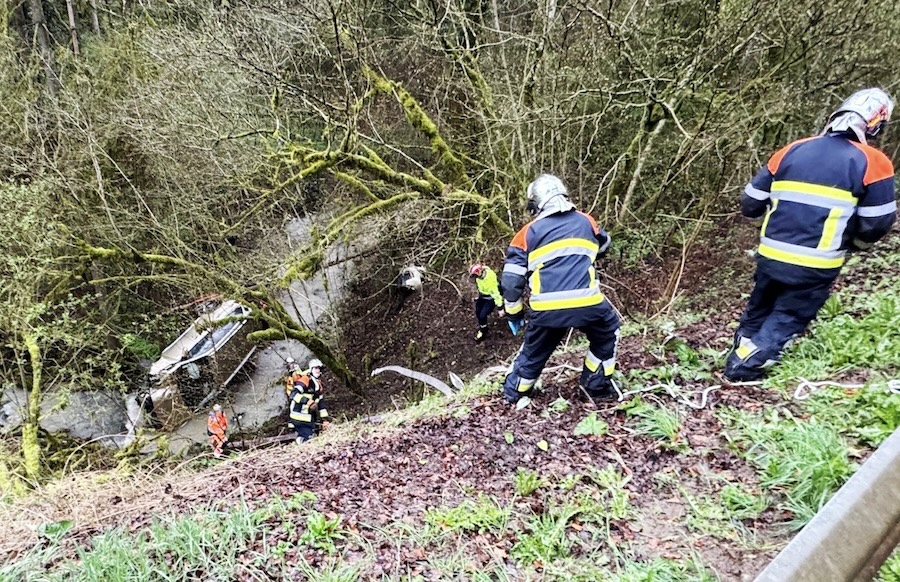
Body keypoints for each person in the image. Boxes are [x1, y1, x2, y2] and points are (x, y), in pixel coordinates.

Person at [725, 88, 896, 382]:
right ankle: (745, 366)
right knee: (790, 314)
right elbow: (877, 224)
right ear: (875, 124)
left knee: (761, 303)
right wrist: (854, 244)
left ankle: (743, 347)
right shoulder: (873, 162)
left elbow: (750, 203)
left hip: (771, 253)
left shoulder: (792, 149)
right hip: (817, 262)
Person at [501, 174, 621, 404]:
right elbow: (604, 244)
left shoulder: (526, 234)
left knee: (534, 351)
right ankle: (595, 387)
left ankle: (515, 392)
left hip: (547, 309)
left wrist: (514, 313)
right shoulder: (587, 221)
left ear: (535, 203)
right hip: (588, 303)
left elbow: (511, 282)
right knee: (607, 333)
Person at [288, 358, 330, 443]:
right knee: (309, 439)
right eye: (315, 368)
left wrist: (325, 419)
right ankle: (299, 442)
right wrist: (307, 401)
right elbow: (294, 394)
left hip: (309, 418)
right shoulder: (305, 380)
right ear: (311, 369)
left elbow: (321, 404)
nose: (318, 370)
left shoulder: (318, 385)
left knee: (315, 436)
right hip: (298, 417)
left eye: (319, 368)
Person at [469, 263, 505, 342]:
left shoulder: (490, 279)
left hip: (490, 299)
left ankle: (483, 331)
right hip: (483, 296)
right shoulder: (480, 277)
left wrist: (500, 307)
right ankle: (482, 325)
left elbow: (496, 294)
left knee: (482, 315)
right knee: (478, 311)